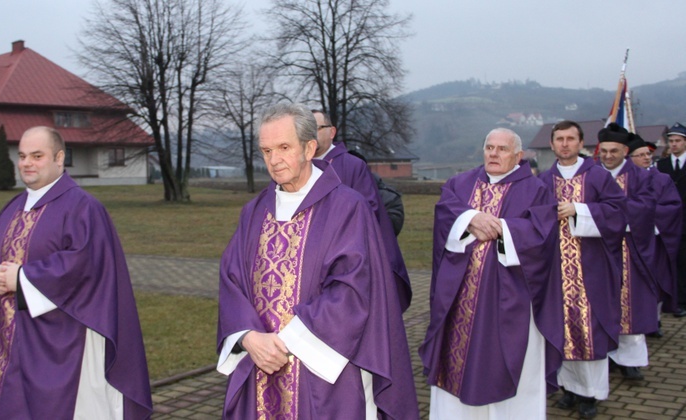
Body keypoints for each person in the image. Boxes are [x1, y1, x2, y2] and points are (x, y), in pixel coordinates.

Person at [216, 103, 418, 419]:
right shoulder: (253, 213)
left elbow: (353, 289)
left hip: (327, 374)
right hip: (261, 368)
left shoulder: (347, 208)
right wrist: (247, 337)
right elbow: (231, 281)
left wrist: (285, 342)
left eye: (284, 147)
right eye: (266, 150)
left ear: (310, 148)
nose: (274, 160)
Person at [0, 127, 152, 419]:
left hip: (64, 339)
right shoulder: (13, 207)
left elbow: (84, 264)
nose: (27, 163)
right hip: (5, 341)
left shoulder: (83, 207)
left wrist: (23, 278)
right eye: (23, 156)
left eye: (37, 156)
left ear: (59, 158)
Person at [419, 128, 563, 419]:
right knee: (454, 365)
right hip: (458, 300)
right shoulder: (461, 183)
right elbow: (445, 212)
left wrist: (502, 228)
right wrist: (469, 218)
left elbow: (542, 236)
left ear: (518, 156)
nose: (494, 154)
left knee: (506, 365)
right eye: (489, 147)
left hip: (512, 302)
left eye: (502, 149)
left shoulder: (536, 190)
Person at [538, 120, 627, 418]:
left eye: (570, 139)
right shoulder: (541, 181)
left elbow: (618, 212)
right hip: (553, 271)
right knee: (557, 327)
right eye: (559, 139)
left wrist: (580, 210)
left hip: (591, 268)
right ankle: (566, 387)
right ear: (551, 144)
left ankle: (589, 393)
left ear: (581, 143)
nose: (564, 144)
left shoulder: (598, 177)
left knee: (589, 329)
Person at [311, 109, 411, 311]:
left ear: (332, 132)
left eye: (316, 128)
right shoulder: (300, 167)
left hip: (345, 259)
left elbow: (367, 212)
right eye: (304, 129)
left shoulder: (353, 165)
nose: (309, 134)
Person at [596, 124, 658, 383]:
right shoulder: (591, 174)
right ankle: (605, 355)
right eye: (604, 151)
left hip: (629, 248)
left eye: (614, 151)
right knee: (600, 304)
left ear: (625, 151)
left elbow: (646, 207)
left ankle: (630, 361)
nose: (608, 156)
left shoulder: (640, 176)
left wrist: (610, 213)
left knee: (629, 305)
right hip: (597, 250)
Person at [628, 134, 683, 334]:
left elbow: (672, 207)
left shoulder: (662, 179)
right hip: (628, 243)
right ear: (629, 158)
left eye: (648, 154)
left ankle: (655, 320)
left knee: (656, 281)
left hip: (654, 241)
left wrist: (647, 219)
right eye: (640, 154)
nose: (646, 158)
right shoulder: (622, 181)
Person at [655, 122, 686, 318]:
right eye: (671, 141)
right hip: (669, 223)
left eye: (678, 141)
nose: (674, 144)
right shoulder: (662, 165)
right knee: (672, 261)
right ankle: (676, 300)